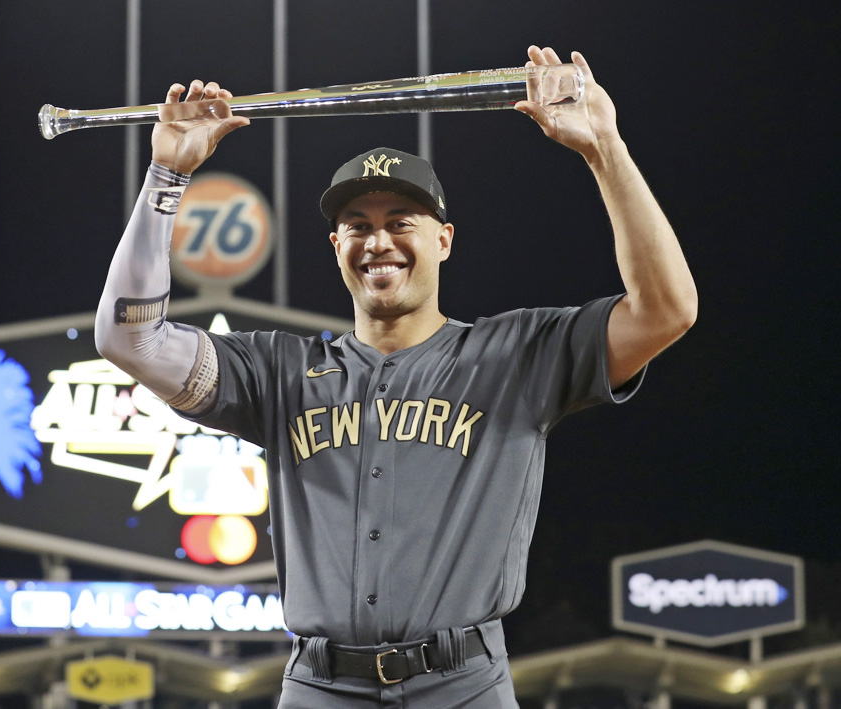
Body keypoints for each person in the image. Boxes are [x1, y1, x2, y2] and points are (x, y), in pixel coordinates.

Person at [96, 46, 697, 708]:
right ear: (336, 248)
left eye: (399, 222)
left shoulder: (517, 355)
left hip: (464, 684)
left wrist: (603, 147)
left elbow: (666, 310)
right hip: (320, 685)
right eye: (357, 225)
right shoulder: (278, 371)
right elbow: (130, 337)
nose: (377, 240)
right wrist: (166, 176)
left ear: (443, 238)